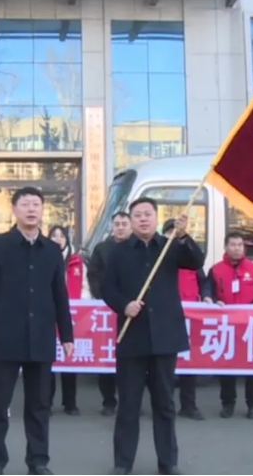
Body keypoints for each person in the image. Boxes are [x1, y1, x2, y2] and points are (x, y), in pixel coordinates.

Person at [0, 186, 74, 476]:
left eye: (36, 205)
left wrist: (66, 335)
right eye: (25, 204)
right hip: (4, 337)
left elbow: (60, 294)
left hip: (41, 336)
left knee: (40, 405)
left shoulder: (52, 250)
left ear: (42, 210)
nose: (31, 209)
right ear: (14, 209)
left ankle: (38, 461)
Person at [101, 198, 204, 476]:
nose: (143, 219)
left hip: (164, 337)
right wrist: (124, 305)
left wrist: (183, 236)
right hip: (132, 336)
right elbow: (106, 288)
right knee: (128, 405)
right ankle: (123, 463)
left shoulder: (170, 247)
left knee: (165, 404)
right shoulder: (118, 252)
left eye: (148, 214)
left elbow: (196, 261)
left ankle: (168, 462)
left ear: (156, 218)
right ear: (131, 220)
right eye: (138, 215)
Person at [204, 232, 253, 419]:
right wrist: (211, 299)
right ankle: (228, 404)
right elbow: (208, 291)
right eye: (233, 245)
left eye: (240, 245)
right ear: (226, 247)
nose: (237, 248)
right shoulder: (216, 270)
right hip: (227, 327)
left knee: (252, 368)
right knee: (227, 368)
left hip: (249, 326)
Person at [161, 219, 209, 421]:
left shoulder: (188, 257)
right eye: (169, 232)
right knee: (165, 366)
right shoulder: (159, 256)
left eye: (177, 232)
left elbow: (204, 282)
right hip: (166, 316)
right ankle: (164, 406)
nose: (173, 236)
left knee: (190, 363)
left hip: (192, 317)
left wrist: (207, 296)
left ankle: (189, 405)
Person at [86, 212, 131, 416]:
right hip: (106, 310)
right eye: (117, 224)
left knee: (131, 362)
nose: (120, 227)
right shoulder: (102, 248)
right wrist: (103, 296)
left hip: (130, 309)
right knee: (106, 358)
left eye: (124, 224)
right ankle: (108, 401)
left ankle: (130, 402)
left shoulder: (136, 247)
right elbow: (93, 275)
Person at [47, 225, 83, 416]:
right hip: (48, 315)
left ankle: (70, 402)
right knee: (48, 361)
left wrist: (82, 307)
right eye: (54, 236)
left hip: (74, 316)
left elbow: (85, 287)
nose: (58, 239)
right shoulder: (44, 259)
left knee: (70, 358)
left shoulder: (76, 262)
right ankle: (47, 402)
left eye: (61, 236)